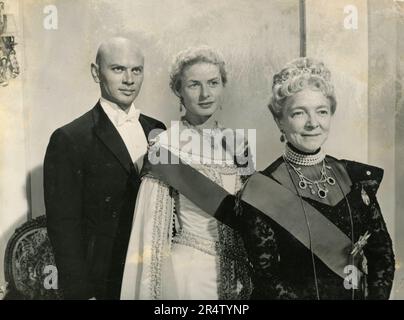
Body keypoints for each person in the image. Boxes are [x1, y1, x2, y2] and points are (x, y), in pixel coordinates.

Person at [218, 57, 395, 299]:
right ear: (279, 120)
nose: (313, 123)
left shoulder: (355, 178)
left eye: (321, 111)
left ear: (331, 114)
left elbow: (382, 255)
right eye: (299, 113)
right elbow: (268, 279)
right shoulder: (263, 189)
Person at [120, 46, 252, 300]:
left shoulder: (240, 144)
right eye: (193, 85)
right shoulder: (165, 147)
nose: (205, 94)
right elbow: (152, 234)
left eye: (213, 83)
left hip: (238, 280)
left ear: (223, 87)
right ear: (178, 91)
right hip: (189, 279)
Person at [44, 37, 166, 300]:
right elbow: (63, 227)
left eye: (136, 70)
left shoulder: (158, 129)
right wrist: (82, 294)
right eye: (118, 69)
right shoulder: (69, 138)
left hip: (154, 273)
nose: (129, 79)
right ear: (95, 72)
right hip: (103, 279)